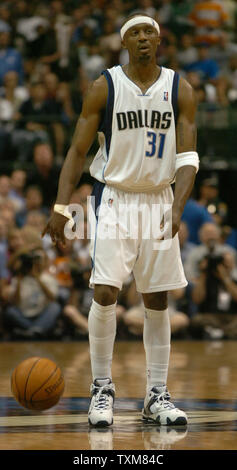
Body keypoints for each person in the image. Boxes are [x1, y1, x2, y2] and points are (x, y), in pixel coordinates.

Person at [42, 13, 199, 427]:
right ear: (124, 42)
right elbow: (77, 151)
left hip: (159, 198)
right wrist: (60, 207)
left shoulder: (179, 88)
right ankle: (101, 388)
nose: (144, 38)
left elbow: (188, 157)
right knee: (106, 291)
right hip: (114, 197)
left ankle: (156, 395)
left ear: (159, 41)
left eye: (151, 32)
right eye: (135, 33)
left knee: (157, 297)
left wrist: (178, 205)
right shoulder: (104, 86)